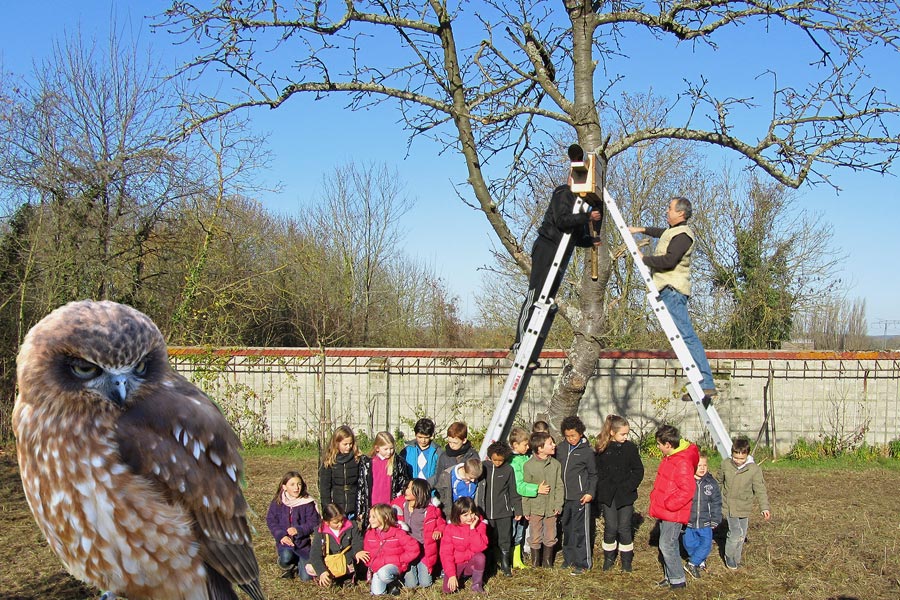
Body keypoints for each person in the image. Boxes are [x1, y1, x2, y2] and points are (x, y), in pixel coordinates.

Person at [629, 197, 717, 402]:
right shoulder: (673, 232)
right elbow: (662, 233)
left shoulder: (684, 236)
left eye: (669, 209)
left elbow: (669, 260)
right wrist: (639, 229)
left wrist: (644, 259)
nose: (666, 212)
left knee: (686, 336)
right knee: (683, 337)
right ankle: (701, 384)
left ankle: (706, 383)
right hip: (667, 290)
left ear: (681, 213)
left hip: (672, 290)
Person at [511, 179, 603, 363]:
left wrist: (591, 241)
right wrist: (588, 217)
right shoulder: (563, 193)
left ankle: (531, 352)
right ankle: (519, 347)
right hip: (547, 248)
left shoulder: (583, 206)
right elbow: (562, 221)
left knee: (547, 302)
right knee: (536, 296)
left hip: (560, 256)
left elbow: (577, 236)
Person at [648, 424, 699, 590]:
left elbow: (688, 489)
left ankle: (677, 580)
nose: (658, 447)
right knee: (669, 543)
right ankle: (670, 577)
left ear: (668, 445)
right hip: (666, 512)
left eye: (659, 444)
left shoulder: (681, 462)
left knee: (666, 545)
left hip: (673, 513)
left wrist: (670, 504)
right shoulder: (671, 457)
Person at [594, 414, 644, 572]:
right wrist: (602, 487)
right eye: (623, 434)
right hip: (608, 496)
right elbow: (597, 472)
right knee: (611, 527)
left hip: (625, 495)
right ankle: (608, 559)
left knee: (624, 528)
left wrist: (629, 486)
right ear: (612, 432)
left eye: (627, 434)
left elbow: (638, 470)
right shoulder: (602, 449)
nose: (626, 437)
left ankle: (626, 561)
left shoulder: (630, 448)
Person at [718, 436, 771, 570]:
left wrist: (764, 507)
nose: (738, 461)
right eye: (735, 458)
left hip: (744, 506)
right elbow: (719, 481)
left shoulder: (754, 470)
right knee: (735, 533)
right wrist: (716, 499)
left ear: (747, 455)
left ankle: (737, 558)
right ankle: (729, 556)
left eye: (742, 459)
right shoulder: (726, 465)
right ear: (732, 454)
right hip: (729, 506)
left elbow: (760, 489)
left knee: (742, 535)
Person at [476, 441, 523, 577]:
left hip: (504, 511)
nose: (497, 463)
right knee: (488, 539)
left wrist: (518, 509)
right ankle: (490, 564)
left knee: (505, 538)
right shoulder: (484, 467)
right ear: (490, 457)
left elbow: (513, 491)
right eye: (495, 460)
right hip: (486, 512)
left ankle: (505, 564)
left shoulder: (508, 469)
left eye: (500, 460)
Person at [557, 415, 598, 574]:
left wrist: (590, 493)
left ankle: (583, 562)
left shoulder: (587, 452)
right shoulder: (561, 448)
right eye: (567, 436)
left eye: (573, 435)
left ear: (580, 433)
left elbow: (593, 475)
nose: (570, 439)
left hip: (580, 497)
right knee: (567, 528)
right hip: (564, 497)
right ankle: (568, 559)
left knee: (580, 530)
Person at [266, 470, 320, 580]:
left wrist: (299, 530)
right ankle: (288, 565)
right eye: (292, 484)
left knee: (306, 578)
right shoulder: (278, 502)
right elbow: (271, 520)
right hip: (285, 543)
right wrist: (281, 535)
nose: (296, 488)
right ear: (284, 487)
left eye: (299, 484)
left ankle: (298, 563)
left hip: (303, 545)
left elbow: (314, 522)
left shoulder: (307, 502)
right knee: (286, 557)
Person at [390, 479, 444, 589]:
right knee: (411, 585)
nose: (407, 490)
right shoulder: (398, 505)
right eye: (407, 487)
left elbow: (441, 523)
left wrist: (438, 530)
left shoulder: (429, 510)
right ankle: (406, 572)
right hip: (406, 550)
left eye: (411, 488)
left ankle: (422, 568)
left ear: (420, 492)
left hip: (424, 550)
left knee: (425, 583)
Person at [521, 431, 564, 568]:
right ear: (540, 448)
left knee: (551, 535)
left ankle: (547, 562)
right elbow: (526, 488)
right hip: (535, 507)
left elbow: (559, 485)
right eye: (550, 444)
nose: (554, 446)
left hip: (551, 507)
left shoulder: (556, 465)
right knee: (535, 535)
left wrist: (558, 504)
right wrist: (526, 509)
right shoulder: (528, 466)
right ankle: (535, 563)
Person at [508, 427, 548, 570]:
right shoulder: (513, 462)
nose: (528, 447)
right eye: (525, 445)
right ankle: (511, 559)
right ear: (515, 445)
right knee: (514, 530)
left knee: (520, 530)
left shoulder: (525, 457)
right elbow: (519, 485)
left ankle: (517, 557)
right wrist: (537, 488)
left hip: (525, 502)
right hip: (516, 502)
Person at [362, 503, 420, 596]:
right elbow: (368, 553)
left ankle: (396, 580)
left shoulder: (397, 533)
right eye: (370, 517)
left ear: (385, 517)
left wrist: (401, 560)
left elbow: (414, 548)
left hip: (394, 566)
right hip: (378, 568)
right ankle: (391, 585)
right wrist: (373, 565)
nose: (370, 519)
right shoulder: (369, 535)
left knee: (384, 573)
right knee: (377, 593)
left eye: (374, 517)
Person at [358, 431, 410, 528]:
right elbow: (361, 486)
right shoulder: (368, 463)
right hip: (372, 504)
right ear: (377, 448)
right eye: (385, 449)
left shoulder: (397, 462)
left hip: (389, 505)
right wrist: (360, 510)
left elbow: (402, 482)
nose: (389, 452)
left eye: (391, 448)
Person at [683, 452, 722, 579]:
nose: (702, 468)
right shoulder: (687, 482)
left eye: (704, 465)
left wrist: (716, 518)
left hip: (706, 521)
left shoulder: (711, 483)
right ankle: (698, 560)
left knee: (706, 544)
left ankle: (692, 564)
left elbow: (716, 502)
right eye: (699, 465)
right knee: (689, 544)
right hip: (690, 521)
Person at [440, 497, 489, 593]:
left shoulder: (480, 526)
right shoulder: (450, 529)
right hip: (456, 563)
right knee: (447, 590)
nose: (470, 518)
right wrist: (451, 574)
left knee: (480, 557)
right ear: (457, 515)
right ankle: (459, 577)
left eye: (472, 513)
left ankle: (477, 586)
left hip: (470, 562)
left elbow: (480, 548)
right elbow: (446, 553)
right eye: (465, 515)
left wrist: (472, 529)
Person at [309, 503, 366, 588]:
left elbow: (357, 541)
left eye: (342, 520)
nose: (340, 524)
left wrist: (358, 551)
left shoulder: (352, 526)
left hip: (348, 560)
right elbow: (315, 554)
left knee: (361, 561)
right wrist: (321, 571)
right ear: (327, 522)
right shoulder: (320, 532)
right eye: (336, 522)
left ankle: (348, 577)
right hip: (330, 562)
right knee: (310, 567)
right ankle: (328, 578)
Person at [319, 425, 362, 520]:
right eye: (345, 444)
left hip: (353, 504)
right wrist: (327, 508)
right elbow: (324, 488)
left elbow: (361, 484)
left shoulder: (357, 459)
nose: (348, 447)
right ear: (336, 443)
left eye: (350, 444)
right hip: (336, 504)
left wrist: (361, 507)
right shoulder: (329, 461)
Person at [398, 418, 444, 487]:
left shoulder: (437, 451)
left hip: (430, 491)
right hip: (411, 490)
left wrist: (426, 486)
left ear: (431, 436)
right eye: (420, 437)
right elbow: (401, 471)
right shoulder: (407, 451)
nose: (423, 440)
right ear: (415, 434)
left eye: (426, 437)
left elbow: (439, 473)